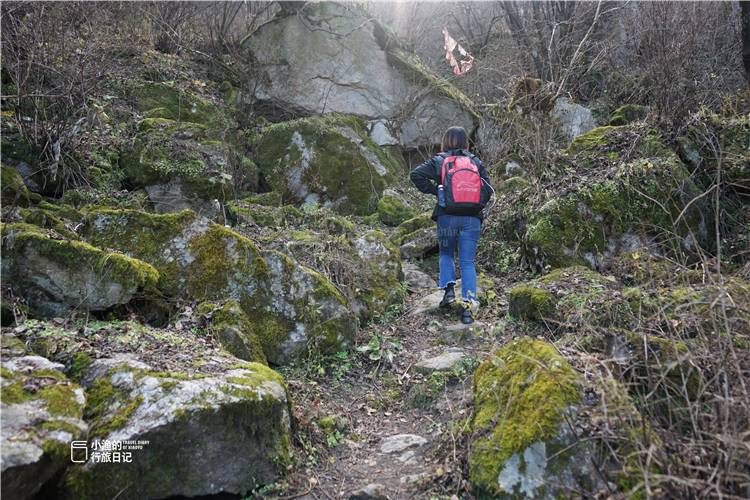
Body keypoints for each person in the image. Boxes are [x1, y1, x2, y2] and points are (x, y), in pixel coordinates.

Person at [410, 126, 493, 324]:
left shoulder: (438, 160)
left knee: (446, 254)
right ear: (466, 142)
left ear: (445, 141)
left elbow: (416, 175)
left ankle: (448, 293)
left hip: (446, 216)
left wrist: (437, 192)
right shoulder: (475, 161)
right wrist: (476, 204)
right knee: (467, 262)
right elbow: (488, 189)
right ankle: (468, 308)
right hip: (472, 218)